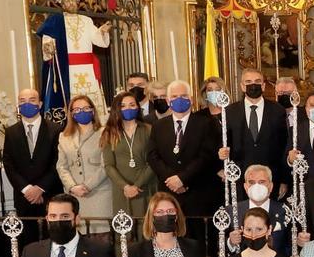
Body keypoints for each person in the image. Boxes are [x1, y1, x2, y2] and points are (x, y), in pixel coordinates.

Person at [146, 80, 223, 225]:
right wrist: (172, 180)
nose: (179, 99)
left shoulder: (206, 123)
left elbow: (207, 156)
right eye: (174, 97)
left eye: (183, 96)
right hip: (169, 195)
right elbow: (152, 156)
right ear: (168, 101)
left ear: (191, 99)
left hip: (198, 194)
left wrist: (183, 178)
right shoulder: (158, 126)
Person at [37, 0, 111, 119]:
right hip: (69, 69)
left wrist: (102, 31)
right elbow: (48, 38)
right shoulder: (55, 22)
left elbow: (97, 40)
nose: (71, 3)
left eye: (73, 1)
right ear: (62, 4)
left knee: (91, 102)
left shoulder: (86, 20)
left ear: (77, 2)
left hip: (88, 69)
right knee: (72, 101)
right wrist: (48, 46)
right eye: (67, 1)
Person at [222, 69, 290, 198]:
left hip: (270, 179)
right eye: (248, 82)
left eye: (257, 81)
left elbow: (284, 146)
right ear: (242, 86)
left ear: (263, 86)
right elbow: (225, 143)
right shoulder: (230, 111)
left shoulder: (277, 110)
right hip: (239, 180)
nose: (253, 85)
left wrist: (283, 180)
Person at [3, 88, 63, 225]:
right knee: (28, 243)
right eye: (22, 101)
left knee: (54, 240)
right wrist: (27, 189)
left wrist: (40, 188)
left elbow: (58, 162)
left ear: (40, 104)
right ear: (18, 105)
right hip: (24, 198)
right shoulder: (11, 132)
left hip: (50, 195)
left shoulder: (56, 129)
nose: (27, 104)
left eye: (32, 100)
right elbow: (9, 164)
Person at [56, 95, 113, 232]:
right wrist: (72, 186)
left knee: (101, 239)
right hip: (75, 196)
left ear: (93, 111)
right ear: (71, 113)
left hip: (99, 194)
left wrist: (87, 186)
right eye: (77, 109)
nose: (82, 112)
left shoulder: (104, 132)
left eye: (86, 108)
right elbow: (61, 166)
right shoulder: (64, 136)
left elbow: (106, 165)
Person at [101, 91, 157, 221]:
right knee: (125, 229)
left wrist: (137, 185)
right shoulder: (109, 133)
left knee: (147, 226)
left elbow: (154, 161)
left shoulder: (149, 130)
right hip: (122, 190)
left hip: (146, 187)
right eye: (123, 106)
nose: (128, 108)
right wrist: (125, 186)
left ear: (138, 107)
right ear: (117, 109)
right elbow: (109, 165)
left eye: (132, 105)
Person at [225, 165, 291, 257]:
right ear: (245, 187)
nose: (256, 186)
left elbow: (290, 245)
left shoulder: (285, 210)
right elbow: (220, 247)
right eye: (251, 182)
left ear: (271, 186)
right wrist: (231, 242)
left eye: (261, 182)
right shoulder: (231, 211)